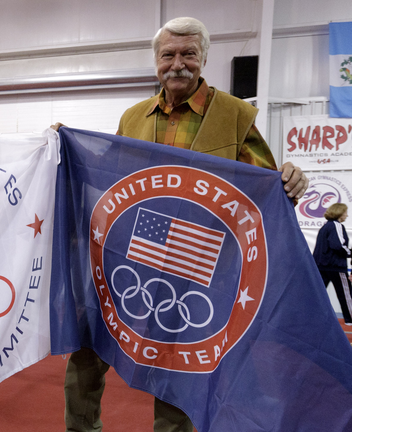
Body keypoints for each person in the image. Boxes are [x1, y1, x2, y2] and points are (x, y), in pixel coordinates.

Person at [55, 17, 310, 432]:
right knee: (87, 349)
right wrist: (65, 146)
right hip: (129, 255)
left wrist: (291, 181)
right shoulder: (134, 116)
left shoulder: (235, 115)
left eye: (188, 54)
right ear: (156, 61)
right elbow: (109, 176)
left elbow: (265, 190)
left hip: (196, 266)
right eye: (168, 55)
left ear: (204, 58)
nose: (178, 64)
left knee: (179, 369)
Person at [312, 203, 352, 324]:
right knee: (346, 295)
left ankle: (311, 319)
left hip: (321, 266)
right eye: (345, 212)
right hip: (335, 267)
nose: (347, 215)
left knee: (317, 294)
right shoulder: (336, 225)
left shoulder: (325, 227)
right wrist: (350, 253)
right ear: (339, 212)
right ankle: (351, 319)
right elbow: (338, 245)